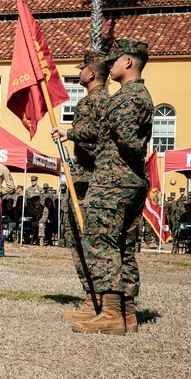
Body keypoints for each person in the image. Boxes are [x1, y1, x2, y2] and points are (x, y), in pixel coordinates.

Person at [53, 38, 154, 335]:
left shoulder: (127, 98)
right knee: (122, 245)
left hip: (113, 181)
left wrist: (111, 159)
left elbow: (127, 140)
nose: (110, 66)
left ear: (128, 62)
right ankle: (127, 313)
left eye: (115, 60)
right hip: (127, 180)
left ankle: (110, 313)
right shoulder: (132, 95)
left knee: (102, 242)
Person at [59, 50, 112, 322]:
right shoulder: (102, 101)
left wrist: (67, 133)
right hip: (87, 178)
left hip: (87, 181)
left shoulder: (95, 102)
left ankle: (98, 301)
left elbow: (95, 135)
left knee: (87, 240)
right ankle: (94, 299)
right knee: (84, 240)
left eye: (82, 68)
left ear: (91, 73)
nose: (79, 72)